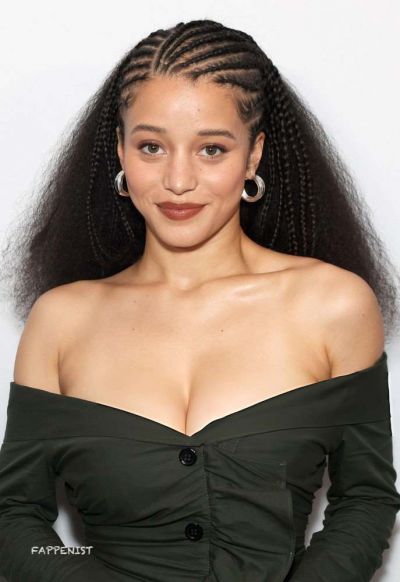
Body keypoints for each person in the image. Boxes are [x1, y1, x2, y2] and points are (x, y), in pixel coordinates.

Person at [0, 17, 399, 582]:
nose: (178, 179)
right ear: (120, 151)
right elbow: (16, 516)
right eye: (151, 147)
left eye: (211, 148)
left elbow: (366, 500)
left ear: (253, 156)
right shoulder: (60, 320)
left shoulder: (334, 305)